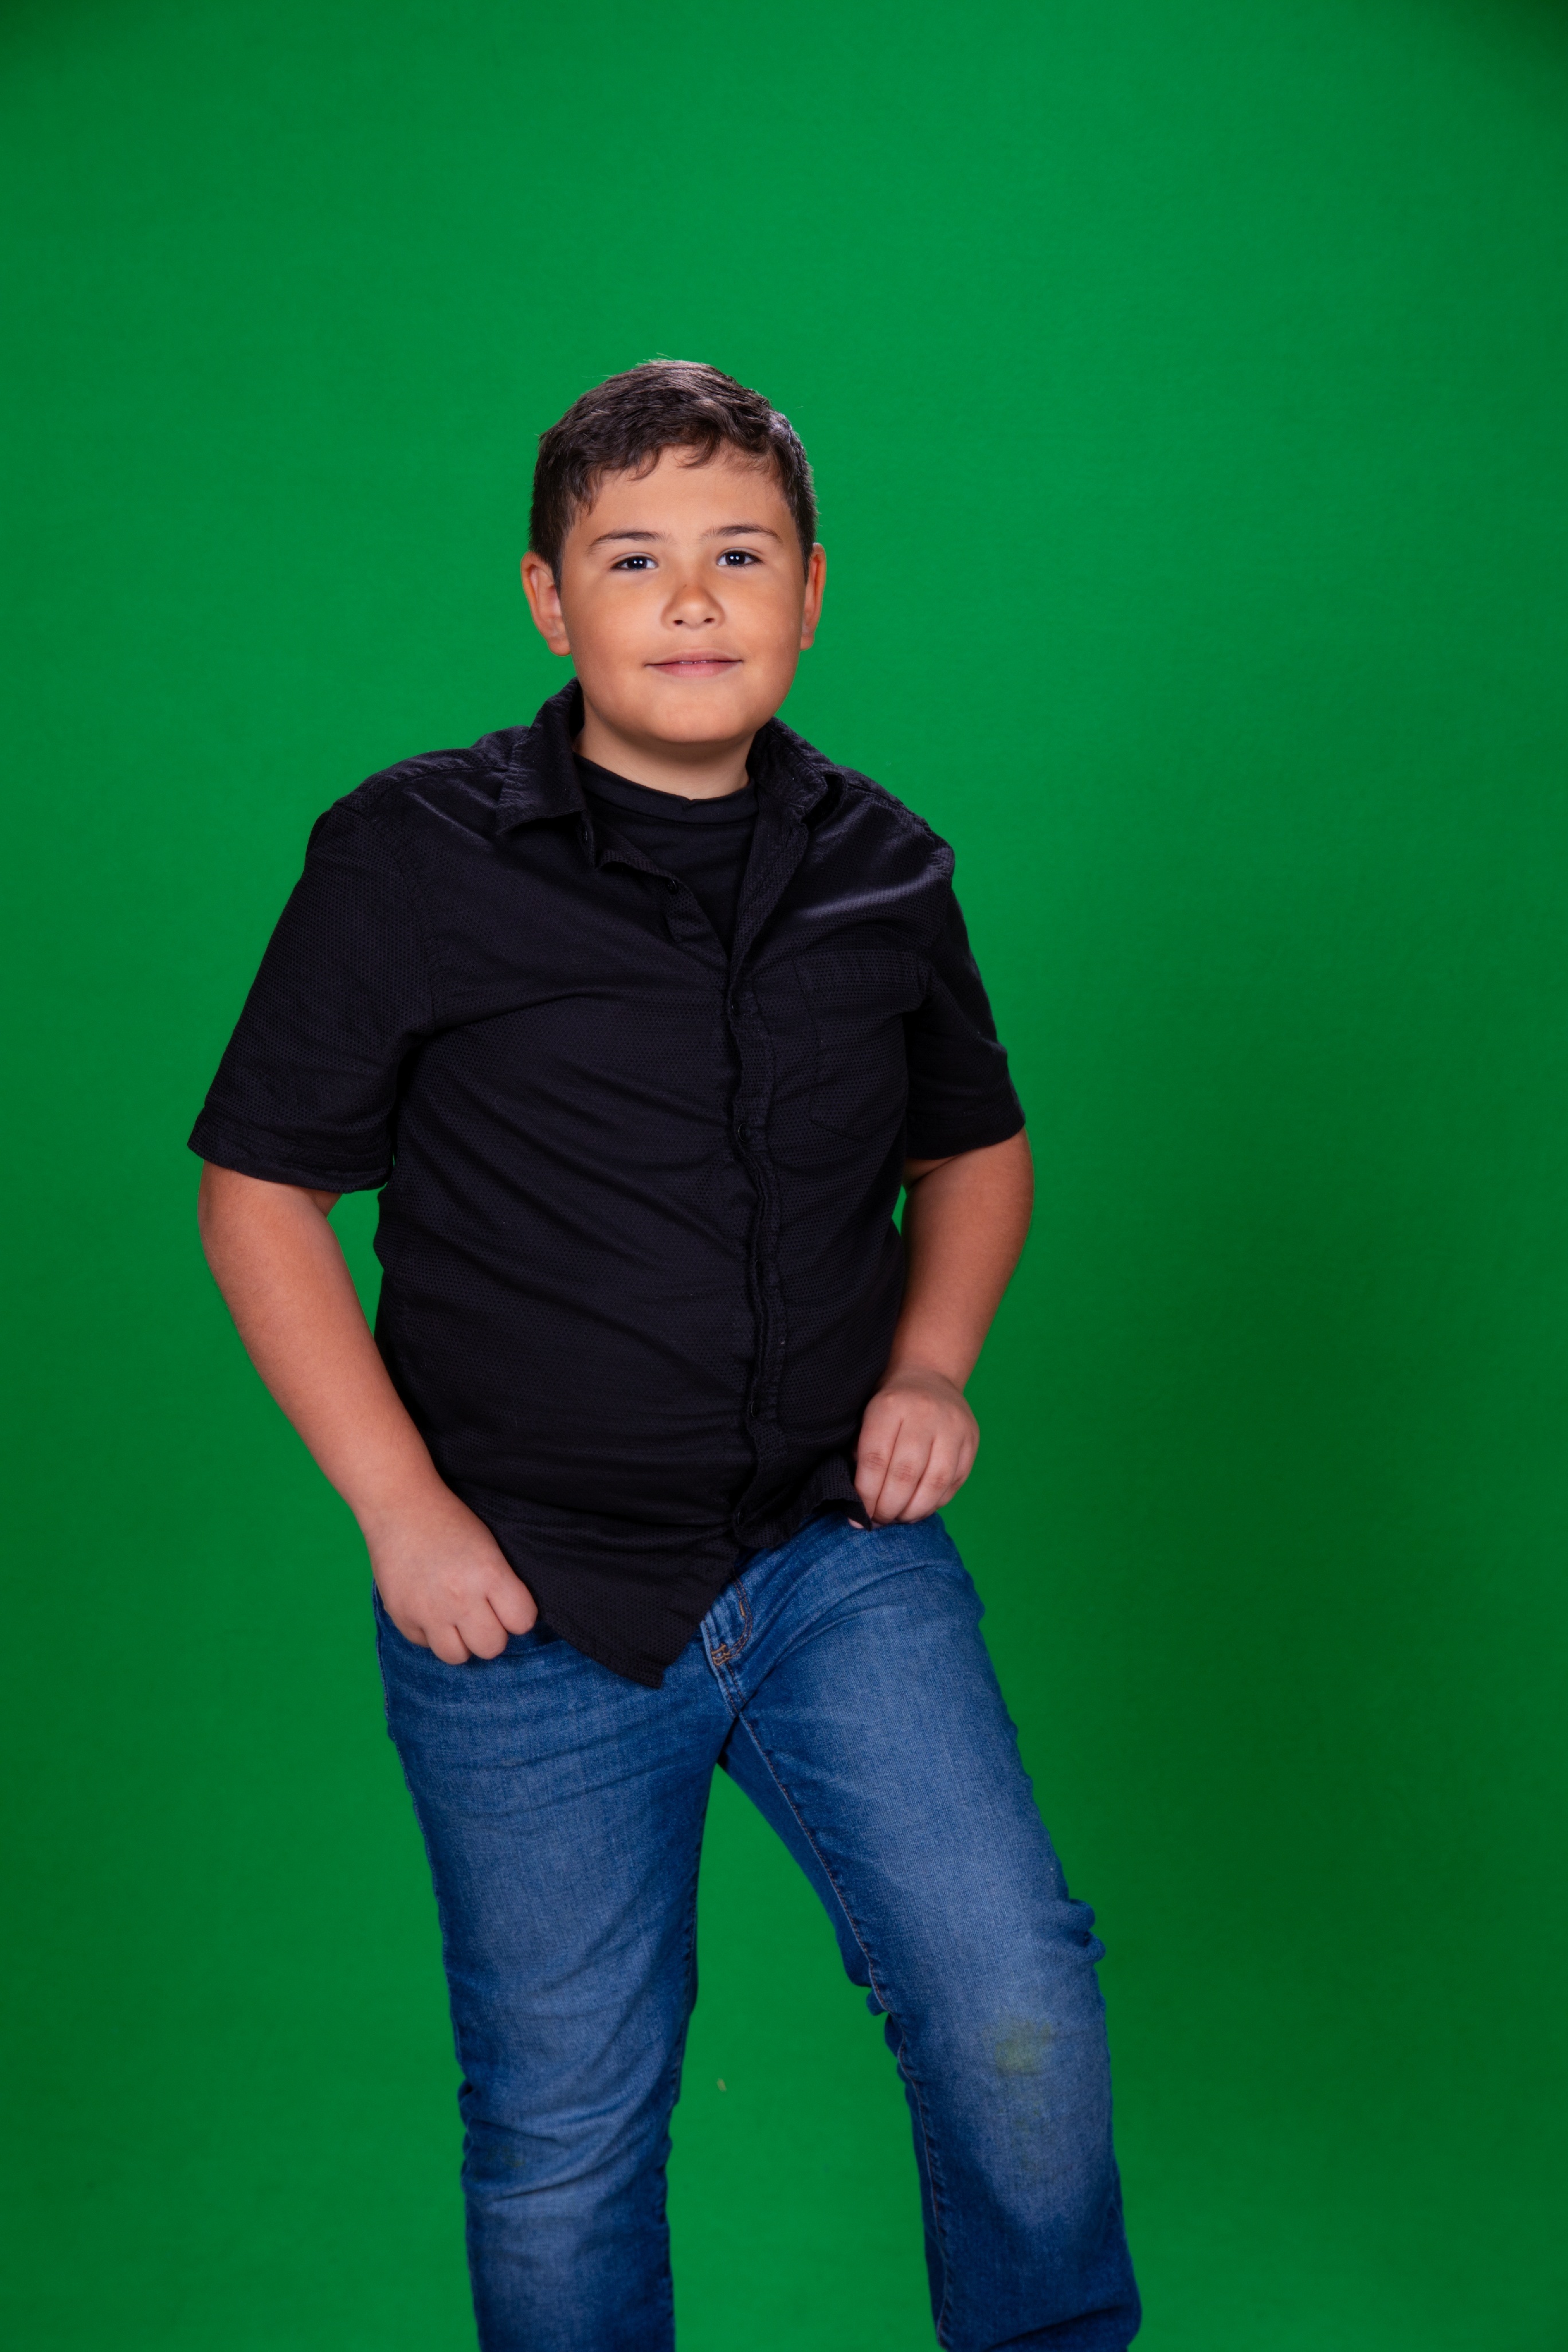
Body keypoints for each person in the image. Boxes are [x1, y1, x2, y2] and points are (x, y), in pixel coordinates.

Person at [190, 360, 1140, 2350]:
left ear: (812, 592)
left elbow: (975, 1149)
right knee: (565, 2126)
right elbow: (262, 1191)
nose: (692, 599)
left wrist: (934, 1368)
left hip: (829, 1559)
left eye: (740, 556)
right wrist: (400, 1511)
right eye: (633, 560)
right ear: (551, 601)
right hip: (520, 1597)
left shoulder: (888, 865)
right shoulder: (407, 856)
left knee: (1020, 2006)